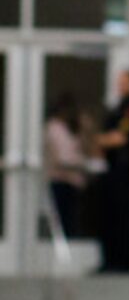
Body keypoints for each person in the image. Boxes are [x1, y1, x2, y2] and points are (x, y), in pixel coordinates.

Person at [95, 68, 129, 272]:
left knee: (122, 217)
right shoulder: (118, 107)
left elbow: (122, 136)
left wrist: (102, 140)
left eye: (125, 82)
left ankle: (122, 263)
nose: (121, 86)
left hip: (125, 170)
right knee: (108, 216)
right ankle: (109, 261)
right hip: (113, 170)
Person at [42, 94, 89, 239]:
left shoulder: (72, 130)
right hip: (60, 181)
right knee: (62, 223)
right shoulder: (54, 128)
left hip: (73, 183)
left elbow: (84, 150)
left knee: (72, 223)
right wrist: (82, 163)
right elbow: (63, 159)